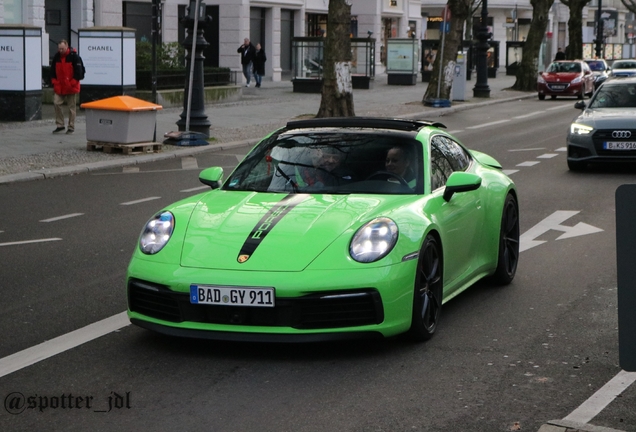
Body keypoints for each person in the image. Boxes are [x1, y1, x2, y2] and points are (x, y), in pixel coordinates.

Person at [50, 39, 82, 134]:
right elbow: (52, 71)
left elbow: (79, 72)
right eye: (59, 48)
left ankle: (71, 126)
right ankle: (60, 124)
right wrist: (54, 81)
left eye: (62, 49)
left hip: (70, 85)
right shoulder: (57, 57)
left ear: (67, 47)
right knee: (56, 103)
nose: (61, 50)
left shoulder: (74, 57)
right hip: (60, 85)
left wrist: (72, 82)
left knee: (71, 107)